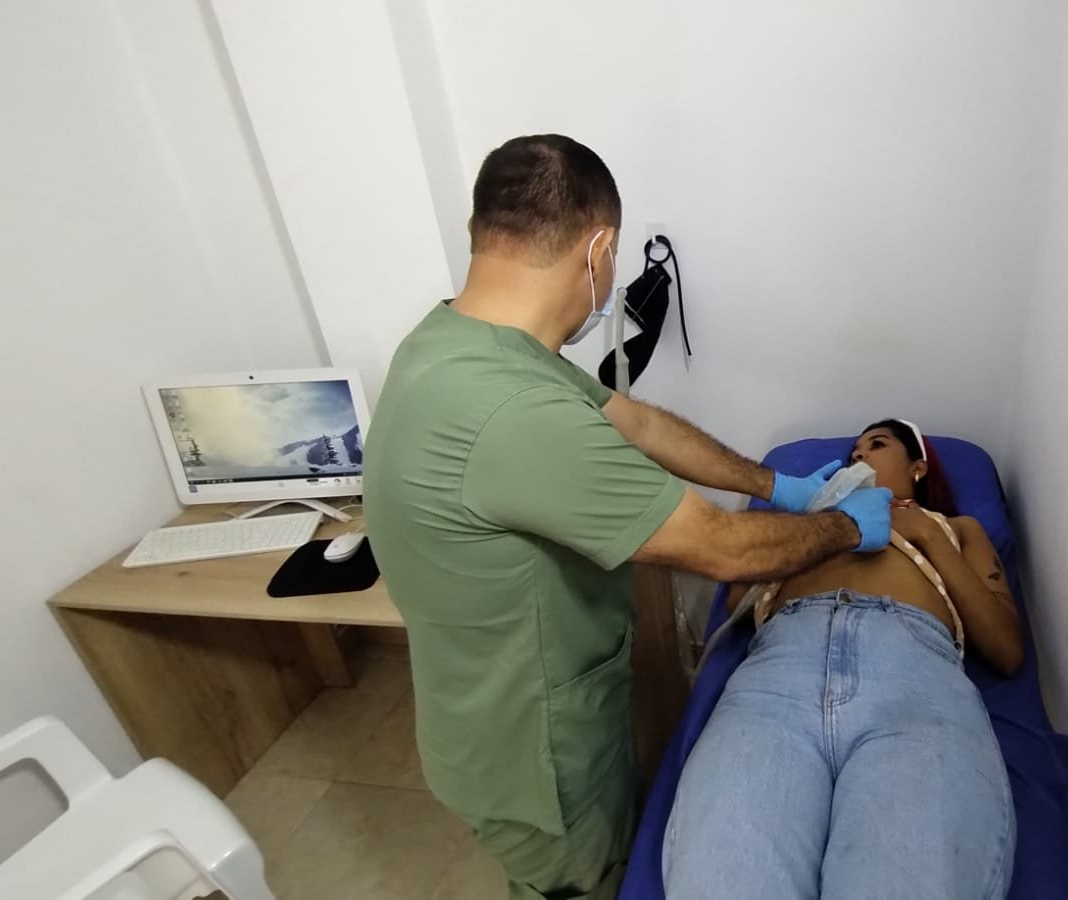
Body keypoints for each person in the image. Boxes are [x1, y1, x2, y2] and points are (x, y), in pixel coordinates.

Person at [363, 134, 893, 900]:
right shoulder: (513, 411)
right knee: (584, 885)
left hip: (481, 715)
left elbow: (635, 423)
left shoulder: (459, 341)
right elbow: (721, 549)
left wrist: (776, 483)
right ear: (600, 249)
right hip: (537, 759)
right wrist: (847, 525)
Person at [662, 419, 1022, 900]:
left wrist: (927, 535)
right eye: (855, 450)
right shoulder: (813, 522)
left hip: (911, 680)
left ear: (917, 468)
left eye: (877, 444)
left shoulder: (955, 528)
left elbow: (1006, 649)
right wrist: (815, 524)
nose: (859, 455)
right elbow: (735, 603)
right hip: (780, 671)